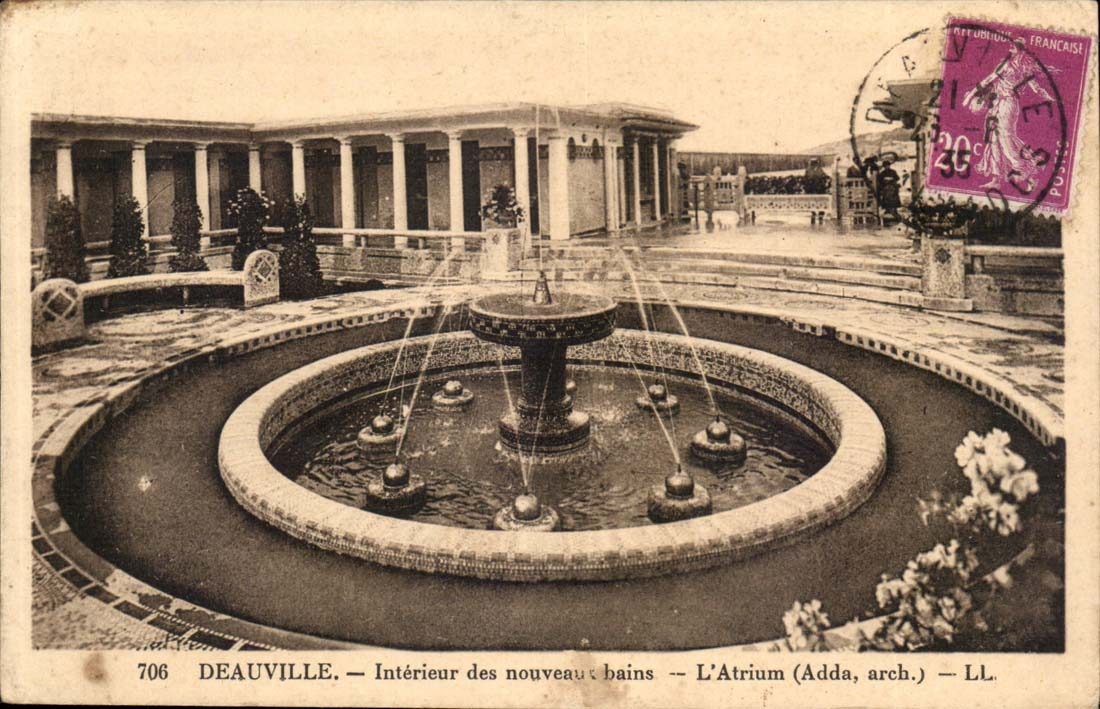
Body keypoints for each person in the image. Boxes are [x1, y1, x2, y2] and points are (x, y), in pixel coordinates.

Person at [877, 159, 901, 224]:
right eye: (886, 166)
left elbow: (897, 178)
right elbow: (879, 180)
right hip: (886, 187)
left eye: (888, 165)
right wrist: (885, 180)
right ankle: (887, 210)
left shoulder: (893, 172)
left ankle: (895, 210)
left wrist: (892, 179)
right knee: (886, 196)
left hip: (892, 186)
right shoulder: (882, 173)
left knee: (894, 196)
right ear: (884, 166)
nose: (887, 167)